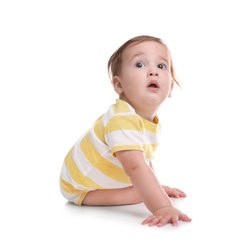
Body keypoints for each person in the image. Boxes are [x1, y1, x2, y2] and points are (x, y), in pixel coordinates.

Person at [59, 35, 192, 227]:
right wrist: (162, 205)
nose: (153, 71)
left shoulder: (147, 120)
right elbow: (136, 167)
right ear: (119, 85)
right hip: (80, 187)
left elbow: (144, 160)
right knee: (139, 193)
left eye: (161, 66)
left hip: (99, 180)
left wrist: (156, 187)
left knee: (142, 189)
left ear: (170, 87)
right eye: (140, 65)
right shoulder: (121, 119)